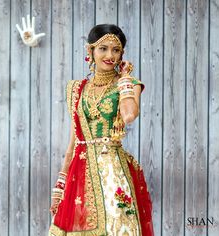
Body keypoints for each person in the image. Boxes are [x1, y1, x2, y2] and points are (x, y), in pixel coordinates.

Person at [49, 24, 154, 236]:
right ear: (91, 51)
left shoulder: (129, 83)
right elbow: (73, 141)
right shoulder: (76, 88)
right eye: (103, 48)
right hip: (79, 173)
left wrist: (124, 79)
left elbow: (129, 115)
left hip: (112, 172)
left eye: (116, 50)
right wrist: (60, 185)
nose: (110, 55)